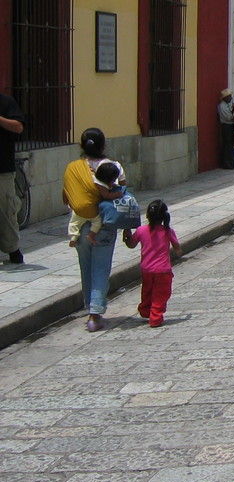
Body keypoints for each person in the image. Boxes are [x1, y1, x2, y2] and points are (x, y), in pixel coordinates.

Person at [62, 128, 128, 331]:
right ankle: (95, 314)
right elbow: (123, 196)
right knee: (101, 267)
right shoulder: (114, 167)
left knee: (86, 266)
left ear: (82, 147)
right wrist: (128, 228)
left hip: (81, 224)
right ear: (104, 146)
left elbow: (66, 197)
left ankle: (89, 307)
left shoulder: (73, 168)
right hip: (106, 225)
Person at [124, 199, 182, 327]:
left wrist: (126, 235)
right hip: (163, 270)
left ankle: (145, 310)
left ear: (148, 216)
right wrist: (178, 252)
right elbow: (177, 248)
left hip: (146, 270)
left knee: (147, 291)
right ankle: (155, 318)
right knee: (161, 294)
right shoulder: (167, 231)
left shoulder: (141, 230)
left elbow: (131, 244)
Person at [67, 161, 122, 248]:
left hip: (80, 209)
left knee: (74, 222)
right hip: (92, 211)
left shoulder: (91, 178)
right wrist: (118, 194)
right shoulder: (101, 185)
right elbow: (106, 196)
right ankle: (91, 235)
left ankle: (73, 237)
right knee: (97, 222)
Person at [0, 93, 25, 265]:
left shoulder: (6, 102)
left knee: (7, 210)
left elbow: (18, 127)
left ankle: (12, 248)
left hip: (2, 168)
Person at [218, 88, 234, 169]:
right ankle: (226, 163)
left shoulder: (229, 105)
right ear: (225, 98)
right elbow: (228, 117)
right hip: (226, 126)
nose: (230, 98)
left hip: (231, 125)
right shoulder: (222, 106)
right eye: (229, 96)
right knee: (227, 144)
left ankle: (232, 162)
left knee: (232, 144)